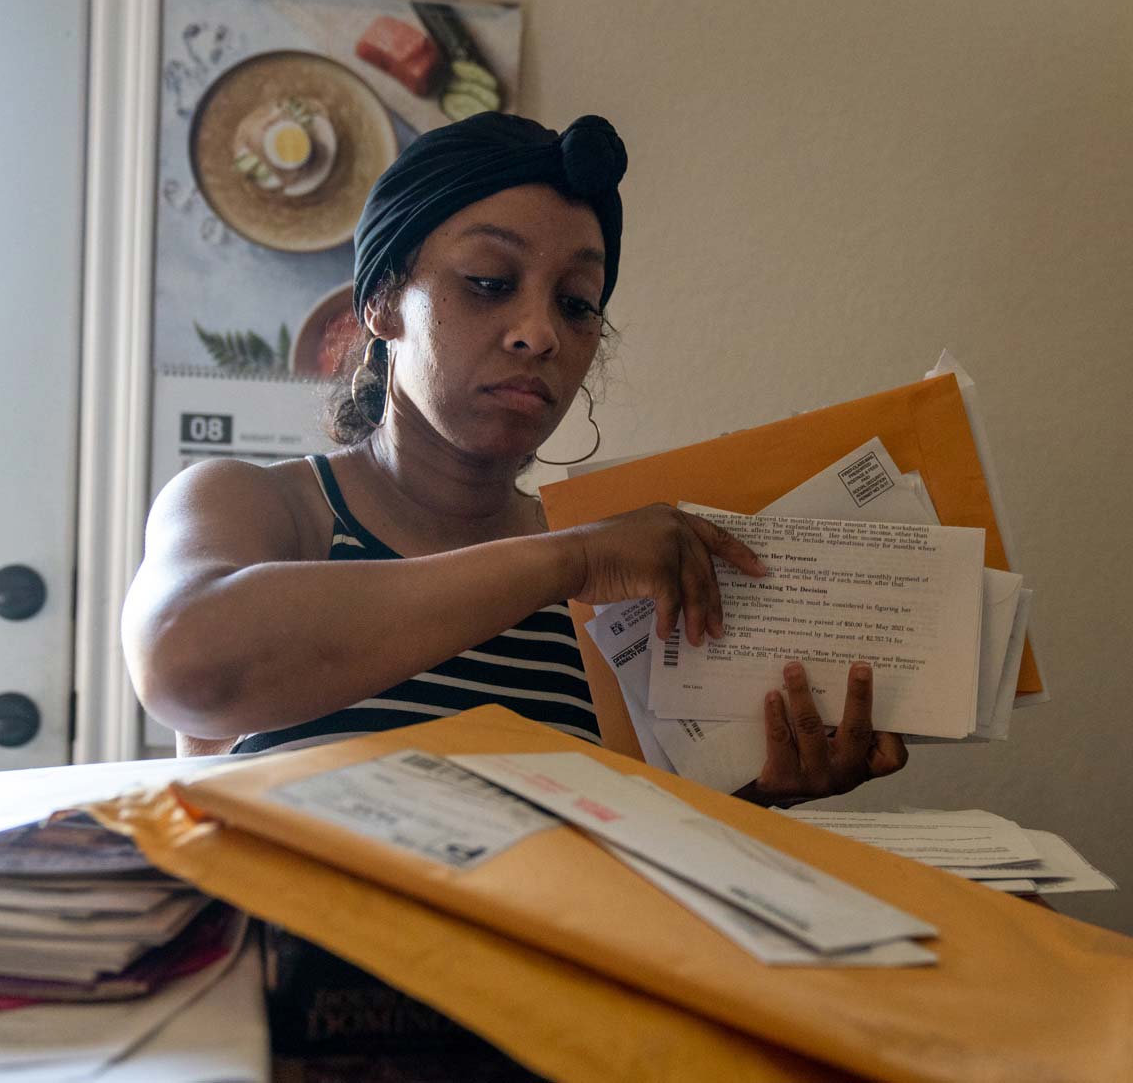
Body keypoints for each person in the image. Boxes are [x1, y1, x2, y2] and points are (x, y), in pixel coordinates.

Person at [122, 112, 907, 805]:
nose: (540, 332)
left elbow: (644, 843)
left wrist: (760, 788)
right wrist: (566, 560)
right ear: (383, 303)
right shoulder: (258, 508)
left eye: (576, 302)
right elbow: (185, 665)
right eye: (489, 282)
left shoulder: (623, 575)